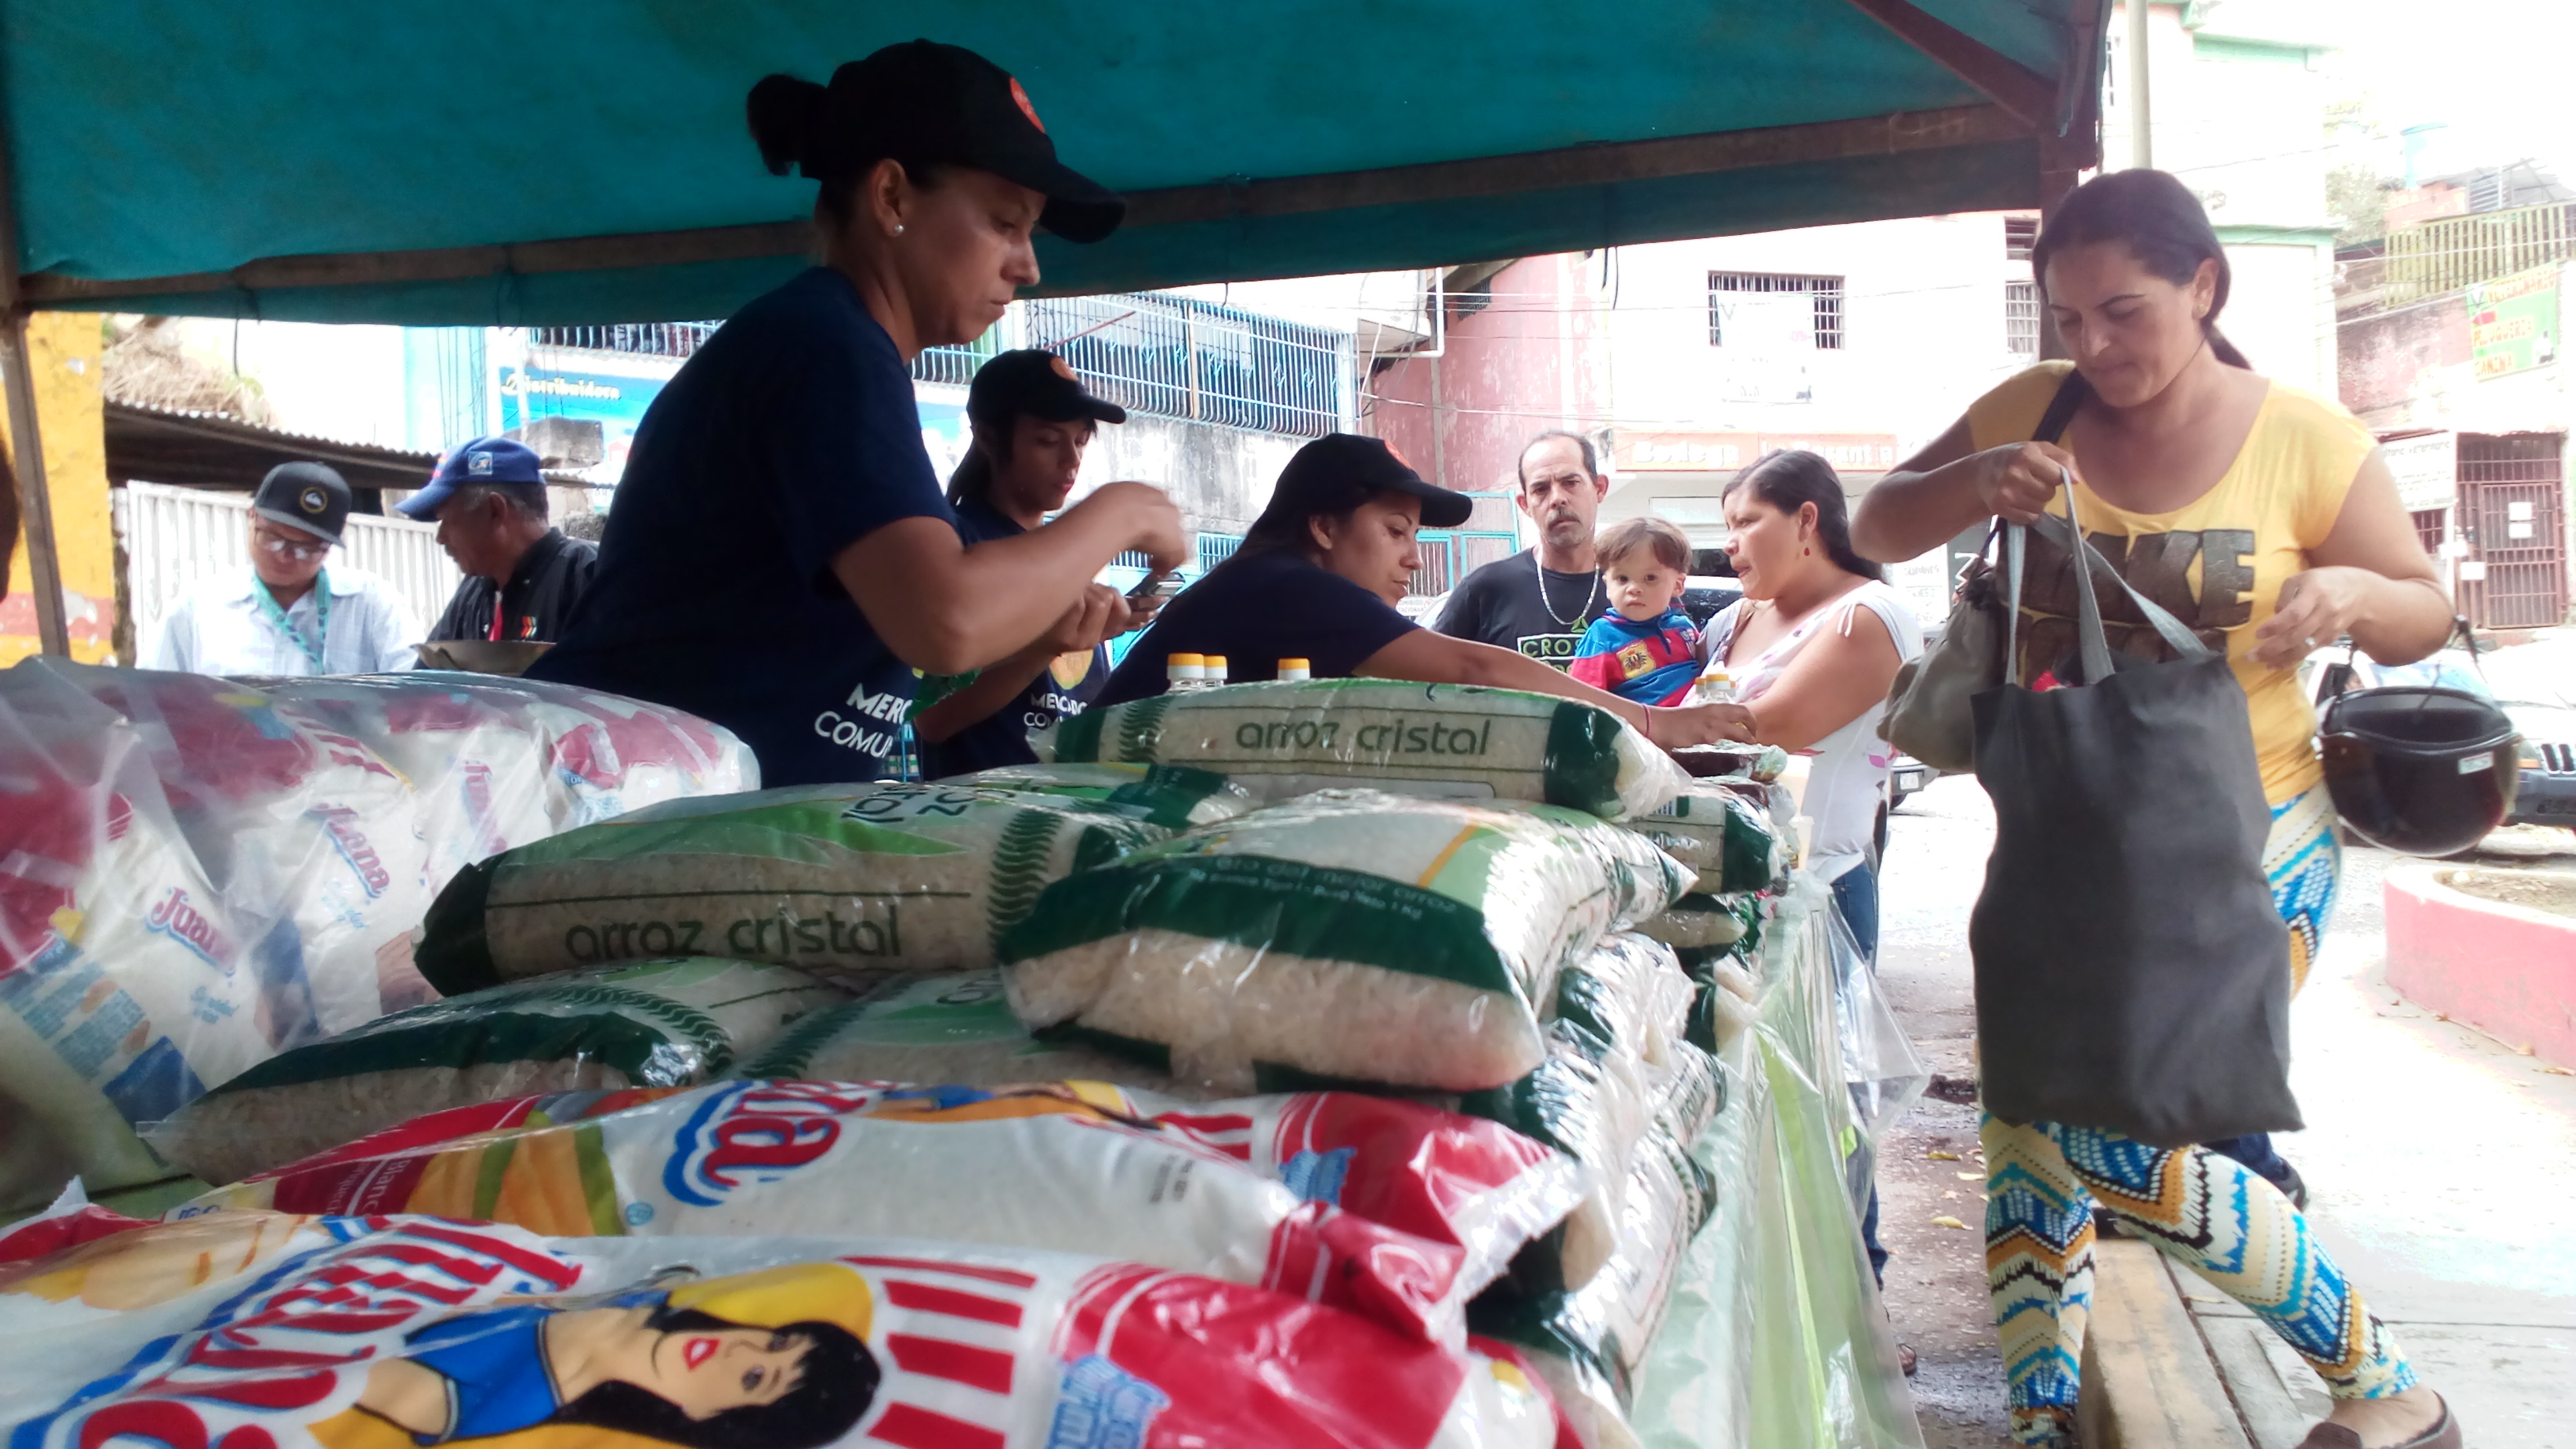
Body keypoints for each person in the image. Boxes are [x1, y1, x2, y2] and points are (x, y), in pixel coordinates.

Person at [1851, 168, 2457, 1449]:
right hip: (2063, 832)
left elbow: (2425, 611)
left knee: (2106, 1131)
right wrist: (1976, 480)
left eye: (2122, 312)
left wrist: (2349, 590)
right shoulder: (2037, 409)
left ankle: (2387, 1387)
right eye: (2067, 319)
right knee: (2023, 1110)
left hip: (2249, 830)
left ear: (2204, 287)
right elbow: (1877, 522)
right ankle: (2038, 1417)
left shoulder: (2306, 439)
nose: (2094, 346)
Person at [528, 41, 1183, 786]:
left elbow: (925, 616)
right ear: (893, 198)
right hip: (650, 827)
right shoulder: (825, 345)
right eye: (1006, 222)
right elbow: (946, 620)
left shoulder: (832, 347)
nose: (1028, 265)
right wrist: (1122, 512)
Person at [1095, 433, 1752, 753]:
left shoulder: (1273, 587)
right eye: (1394, 531)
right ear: (1323, 528)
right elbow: (1473, 666)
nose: (1414, 557)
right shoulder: (1286, 583)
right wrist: (1657, 723)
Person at [1699, 448, 1923, 1302]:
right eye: (1724, 528)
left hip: (1819, 889)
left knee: (1826, 1099)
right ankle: (1765, 1293)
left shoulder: (1871, 615)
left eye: (1746, 521)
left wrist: (1633, 725)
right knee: (1744, 1099)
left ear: (1806, 521)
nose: (1732, 546)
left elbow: (1760, 734)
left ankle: (1852, 1299)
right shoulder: (1729, 624)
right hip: (1726, 882)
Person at [350, 1263, 877, 1449]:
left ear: (713, 1421)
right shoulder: (649, 1299)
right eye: (777, 1341)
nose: (741, 1347)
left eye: (756, 1377)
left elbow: (335, 1383)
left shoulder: (505, 1404)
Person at [913, 350, 1140, 778]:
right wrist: (1049, 641)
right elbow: (934, 717)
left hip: (1063, 802)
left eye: (1080, 441)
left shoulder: (1062, 553)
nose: (1071, 460)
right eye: (1048, 441)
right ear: (988, 439)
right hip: (981, 811)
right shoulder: (958, 546)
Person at [144, 462, 421, 677]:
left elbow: (414, 696)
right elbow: (151, 702)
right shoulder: (198, 610)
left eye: (309, 549)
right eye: (273, 539)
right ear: (252, 516)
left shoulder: (373, 605)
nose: (286, 557)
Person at [1432, 430, 1616, 664]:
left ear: (1599, 488)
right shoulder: (1486, 589)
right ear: (1524, 504)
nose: (1557, 498)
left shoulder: (1645, 585)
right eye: (1541, 489)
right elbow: (1428, 681)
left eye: (1571, 483)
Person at [401, 437, 600, 644]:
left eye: (447, 521)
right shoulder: (473, 592)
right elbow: (430, 670)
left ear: (495, 511)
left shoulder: (587, 575)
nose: (440, 538)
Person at [1568, 517, 1705, 706]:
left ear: (1678, 585)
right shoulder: (1602, 636)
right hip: (1637, 732)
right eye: (1622, 578)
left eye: (1650, 578)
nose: (1634, 588)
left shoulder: (1685, 630)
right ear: (1607, 585)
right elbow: (1583, 703)